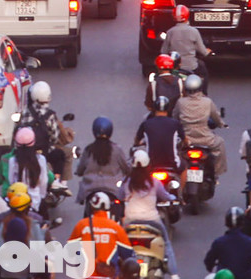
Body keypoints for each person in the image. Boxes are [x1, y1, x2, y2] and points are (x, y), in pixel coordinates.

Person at [121, 150, 179, 279]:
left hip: (130, 221)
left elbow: (119, 196)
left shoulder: (127, 182)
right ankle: (174, 274)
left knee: (119, 244)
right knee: (166, 243)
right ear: (148, 166)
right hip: (152, 221)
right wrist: (173, 197)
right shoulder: (154, 182)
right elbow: (165, 196)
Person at [173, 73, 227, 182]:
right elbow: (216, 117)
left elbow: (175, 117)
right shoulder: (207, 102)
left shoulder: (181, 102)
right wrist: (222, 124)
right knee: (220, 143)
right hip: (205, 138)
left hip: (186, 139)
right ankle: (215, 173)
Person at [69, 191, 131, 278]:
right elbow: (128, 254)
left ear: (90, 207)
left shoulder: (82, 225)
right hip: (108, 275)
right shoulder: (116, 228)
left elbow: (70, 250)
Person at [75, 117, 132, 208]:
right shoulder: (117, 149)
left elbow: (80, 170)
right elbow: (126, 168)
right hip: (113, 190)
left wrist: (79, 171)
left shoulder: (88, 150)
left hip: (90, 190)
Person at [26, 81, 73, 185]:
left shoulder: (25, 113)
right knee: (61, 155)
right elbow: (54, 137)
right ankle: (59, 182)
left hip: (27, 152)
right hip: (45, 152)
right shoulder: (50, 115)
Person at [203, 207, 251, 279]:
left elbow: (208, 261)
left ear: (227, 223)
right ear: (243, 223)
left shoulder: (219, 242)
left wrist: (211, 267)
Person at [0, 127, 51, 213]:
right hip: (35, 201)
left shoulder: (13, 161)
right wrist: (41, 196)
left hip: (17, 202)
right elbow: (43, 181)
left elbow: (11, 181)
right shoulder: (41, 159)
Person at [160, 4, 213, 87]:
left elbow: (163, 51)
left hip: (175, 67)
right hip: (192, 66)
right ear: (188, 16)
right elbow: (203, 51)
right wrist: (208, 51)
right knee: (204, 72)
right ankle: (204, 93)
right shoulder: (194, 31)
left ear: (174, 17)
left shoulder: (170, 32)